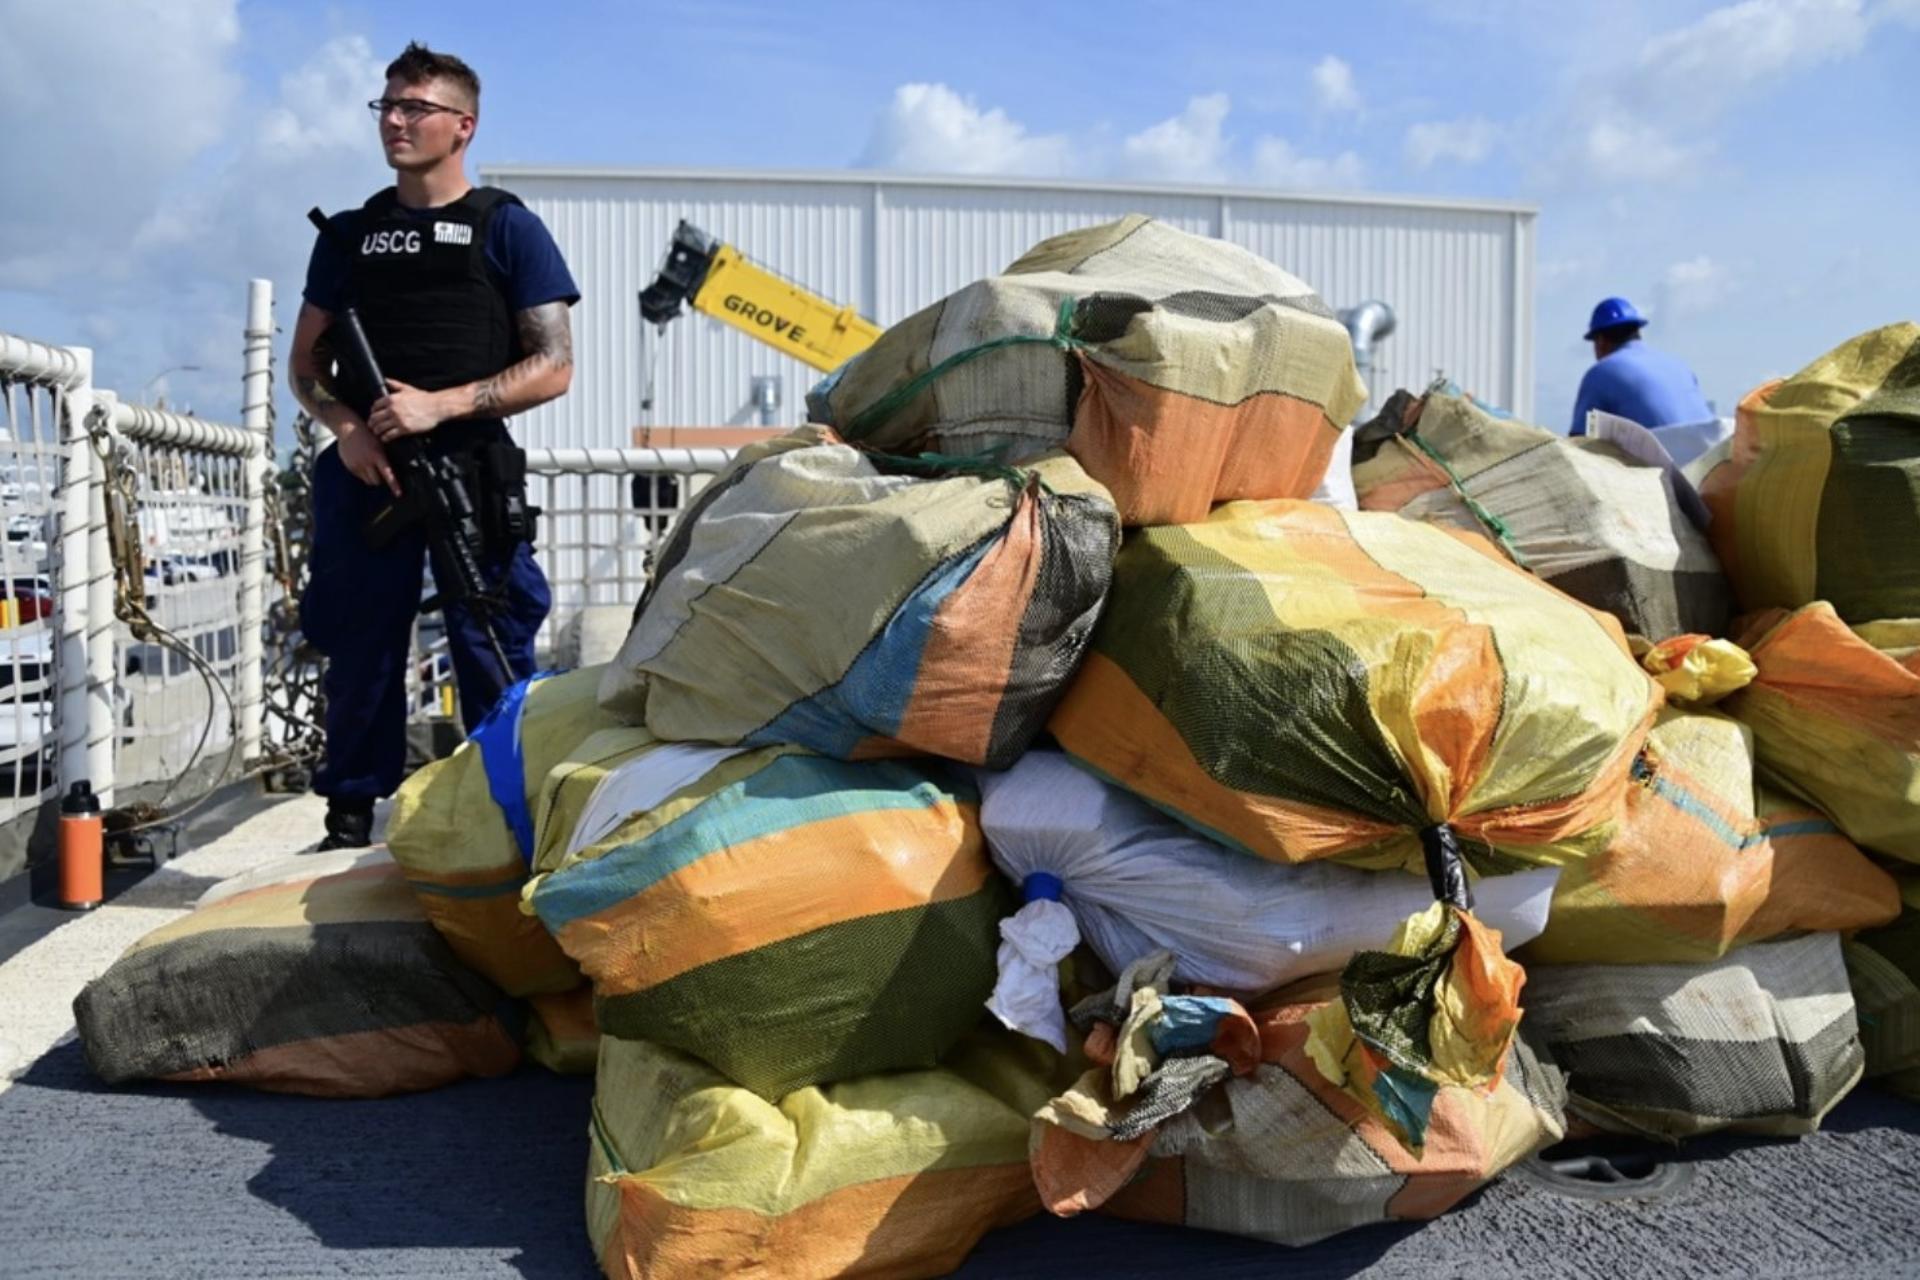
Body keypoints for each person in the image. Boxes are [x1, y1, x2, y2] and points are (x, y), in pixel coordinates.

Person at [289, 42, 579, 850]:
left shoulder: (507, 228)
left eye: (414, 107)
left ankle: (505, 817)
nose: (394, 121)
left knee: (492, 636)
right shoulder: (348, 236)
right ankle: (349, 815)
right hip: (367, 466)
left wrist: (439, 406)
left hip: (470, 469)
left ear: (463, 126)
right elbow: (306, 364)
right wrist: (348, 428)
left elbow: (555, 366)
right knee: (359, 638)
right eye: (386, 105)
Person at [1568, 297, 1713, 436]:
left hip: (1664, 459)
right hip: (1712, 456)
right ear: (1637, 332)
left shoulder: (1599, 374)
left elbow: (1578, 443)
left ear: (1600, 341)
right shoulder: (1679, 365)